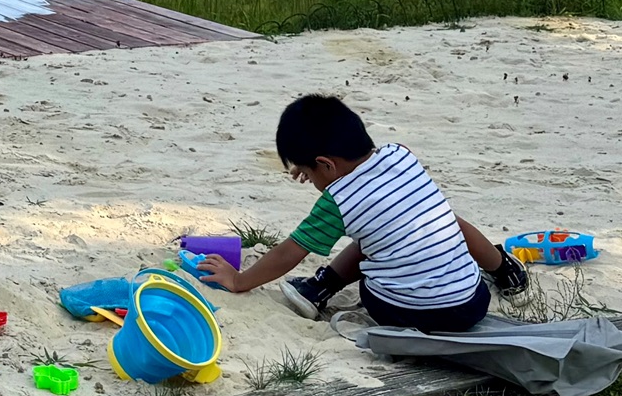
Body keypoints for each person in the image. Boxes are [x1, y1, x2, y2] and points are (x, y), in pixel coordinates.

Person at [199, 92, 526, 332]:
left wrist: (239, 280)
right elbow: (371, 190)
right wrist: (313, 166)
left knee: (371, 246)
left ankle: (319, 288)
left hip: (407, 311)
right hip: (471, 303)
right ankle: (506, 271)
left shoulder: (337, 201)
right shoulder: (400, 155)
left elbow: (289, 252)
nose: (312, 181)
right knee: (439, 222)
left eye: (309, 173)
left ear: (326, 165)